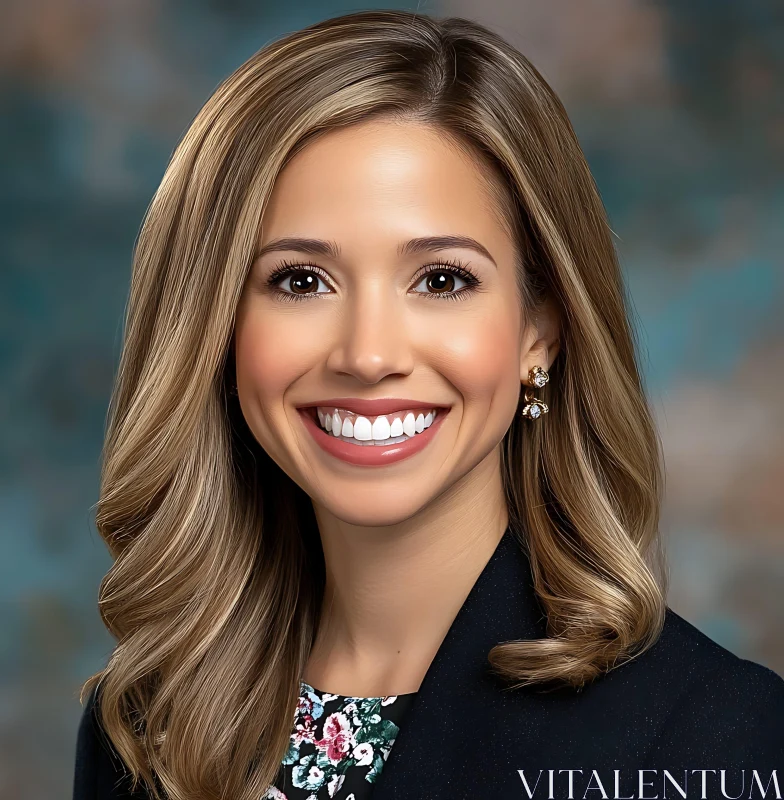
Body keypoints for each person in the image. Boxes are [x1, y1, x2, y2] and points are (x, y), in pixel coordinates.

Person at [72, 9, 784, 800]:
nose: (369, 355)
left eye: (442, 280)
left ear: (539, 332)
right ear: (214, 325)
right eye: (300, 281)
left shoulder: (715, 737)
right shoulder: (140, 728)